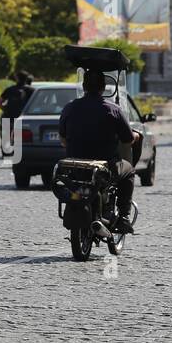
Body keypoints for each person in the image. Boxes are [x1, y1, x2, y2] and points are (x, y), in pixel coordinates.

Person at [58, 69, 142, 234]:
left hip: (75, 167)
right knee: (129, 171)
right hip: (106, 167)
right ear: (103, 87)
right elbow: (128, 139)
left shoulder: (70, 108)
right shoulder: (113, 109)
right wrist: (136, 136)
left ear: (84, 86)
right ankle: (124, 216)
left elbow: (62, 139)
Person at [0, 71, 34, 147]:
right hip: (23, 117)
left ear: (16, 79)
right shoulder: (31, 90)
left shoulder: (9, 89)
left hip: (8, 116)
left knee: (6, 135)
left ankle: (6, 149)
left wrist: (5, 109)